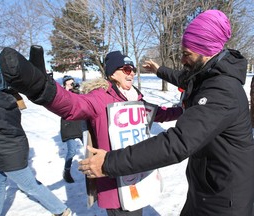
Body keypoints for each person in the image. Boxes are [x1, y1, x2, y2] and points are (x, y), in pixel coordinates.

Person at [78, 9, 254, 216]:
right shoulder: (207, 74)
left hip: (226, 199)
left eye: (186, 54)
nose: (182, 59)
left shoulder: (222, 90)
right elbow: (184, 78)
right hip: (208, 186)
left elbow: (177, 143)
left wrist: (109, 163)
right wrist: (159, 70)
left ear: (206, 51)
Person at [0, 47, 183, 215]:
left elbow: (159, 114)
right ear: (112, 73)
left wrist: (185, 110)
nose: (132, 73)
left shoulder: (136, 99)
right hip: (116, 184)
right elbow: (71, 105)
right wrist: (42, 88)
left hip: (138, 175)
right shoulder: (99, 98)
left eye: (133, 69)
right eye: (126, 69)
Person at [0, 71, 71, 216]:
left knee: (30, 186)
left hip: (8, 155)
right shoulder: (1, 99)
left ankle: (61, 210)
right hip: (9, 149)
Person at [60, 75, 83, 183]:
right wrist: (67, 92)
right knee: (72, 151)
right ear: (64, 85)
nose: (71, 85)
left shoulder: (77, 94)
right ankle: (66, 172)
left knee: (89, 147)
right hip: (68, 126)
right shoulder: (62, 95)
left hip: (80, 124)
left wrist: (78, 91)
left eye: (72, 83)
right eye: (69, 83)